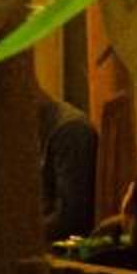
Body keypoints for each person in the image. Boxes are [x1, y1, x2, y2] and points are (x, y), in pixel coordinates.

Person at [39, 94, 101, 242]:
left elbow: (70, 220)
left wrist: (17, 235)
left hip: (66, 248)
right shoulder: (38, 127)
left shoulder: (71, 130)